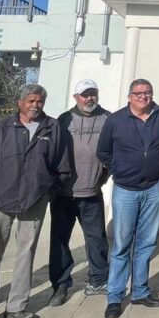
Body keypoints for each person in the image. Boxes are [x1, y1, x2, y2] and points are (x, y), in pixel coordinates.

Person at [0, 83, 71, 318]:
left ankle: (17, 307)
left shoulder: (52, 127)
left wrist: (48, 192)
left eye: (40, 101)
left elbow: (62, 165)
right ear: (20, 102)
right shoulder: (3, 127)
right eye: (31, 101)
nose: (36, 105)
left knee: (26, 254)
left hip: (34, 202)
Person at [97, 78, 159, 318]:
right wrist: (120, 169)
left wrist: (150, 164)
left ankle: (140, 291)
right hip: (125, 190)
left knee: (146, 243)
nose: (143, 96)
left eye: (147, 92)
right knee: (122, 245)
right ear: (130, 96)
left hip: (153, 187)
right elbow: (103, 151)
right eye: (138, 93)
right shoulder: (115, 120)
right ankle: (115, 296)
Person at [47, 79, 111, 306]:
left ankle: (98, 280)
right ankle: (61, 285)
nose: (89, 98)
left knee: (97, 240)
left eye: (92, 93)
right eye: (84, 94)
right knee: (60, 241)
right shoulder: (63, 120)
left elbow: (113, 152)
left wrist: (102, 177)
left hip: (91, 193)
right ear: (76, 97)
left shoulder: (107, 119)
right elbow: (52, 153)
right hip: (63, 195)